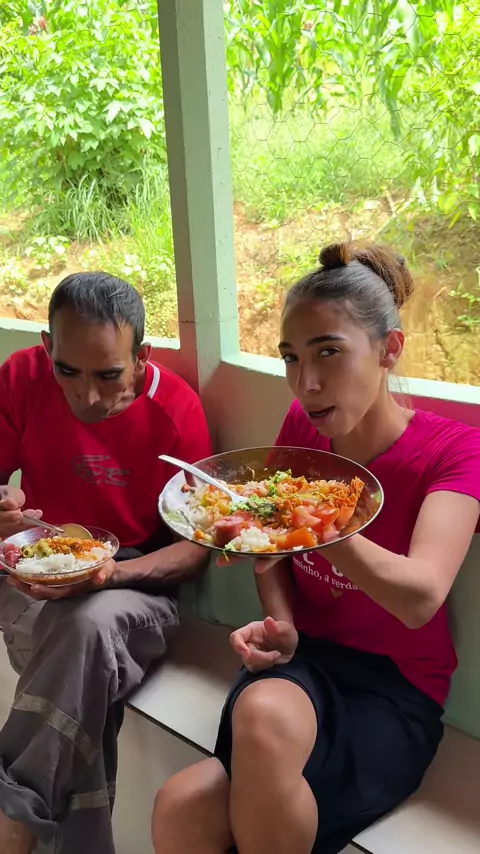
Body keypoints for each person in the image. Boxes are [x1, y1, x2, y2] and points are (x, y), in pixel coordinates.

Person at [151, 241, 480, 854]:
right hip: (306, 660)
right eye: (291, 358)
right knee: (180, 806)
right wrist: (282, 624)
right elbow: (271, 553)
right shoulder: (306, 427)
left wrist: (318, 529)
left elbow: (420, 598)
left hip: (395, 688)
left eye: (329, 352)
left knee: (213, 795)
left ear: (389, 349)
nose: (306, 383)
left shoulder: (455, 452)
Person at [0, 272, 213, 854]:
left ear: (142, 357)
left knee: (84, 630)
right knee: (82, 674)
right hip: (35, 566)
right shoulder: (20, 379)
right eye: (67, 371)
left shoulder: (176, 411)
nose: (87, 396)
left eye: (108, 375)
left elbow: (195, 550)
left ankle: (12, 819)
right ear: (47, 347)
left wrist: (109, 575)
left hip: (136, 580)